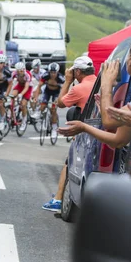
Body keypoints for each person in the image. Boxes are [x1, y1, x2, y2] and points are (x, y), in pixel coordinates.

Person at [41, 55, 97, 212]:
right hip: (99, 133)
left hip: (84, 134)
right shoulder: (101, 84)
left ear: (78, 72)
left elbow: (60, 103)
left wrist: (67, 81)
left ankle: (58, 199)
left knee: (69, 164)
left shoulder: (78, 88)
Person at [32, 63, 65, 140]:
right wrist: (36, 98)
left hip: (56, 93)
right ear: (49, 72)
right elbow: (39, 86)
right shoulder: (45, 76)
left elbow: (64, 90)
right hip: (47, 91)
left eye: (54, 72)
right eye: (51, 72)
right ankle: (40, 114)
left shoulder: (60, 78)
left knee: (53, 109)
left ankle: (54, 128)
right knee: (43, 105)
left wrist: (59, 100)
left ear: (57, 72)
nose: (53, 74)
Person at [8, 61, 32, 132]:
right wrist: (8, 93)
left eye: (21, 70)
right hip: (19, 86)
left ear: (23, 69)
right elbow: (10, 83)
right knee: (12, 95)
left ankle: (24, 120)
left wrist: (21, 94)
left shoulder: (27, 74)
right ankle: (13, 112)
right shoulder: (14, 73)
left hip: (27, 88)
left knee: (23, 104)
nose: (20, 72)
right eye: (18, 71)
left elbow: (26, 87)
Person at [0, 54, 12, 132]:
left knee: (1, 103)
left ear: (4, 64)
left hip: (3, 87)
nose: (0, 65)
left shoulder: (7, 72)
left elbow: (10, 84)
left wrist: (6, 94)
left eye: (2, 63)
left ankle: (2, 119)